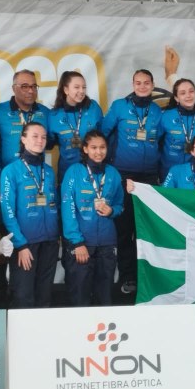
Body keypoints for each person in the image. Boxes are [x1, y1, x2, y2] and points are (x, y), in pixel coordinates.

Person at [102, 69, 163, 295]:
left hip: (149, 179)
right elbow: (103, 133)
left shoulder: (157, 111)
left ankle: (149, 277)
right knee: (125, 230)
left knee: (147, 231)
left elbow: (163, 142)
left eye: (147, 83)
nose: (143, 86)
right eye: (138, 83)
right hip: (123, 176)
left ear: (153, 84)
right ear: (133, 84)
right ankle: (128, 277)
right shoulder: (119, 106)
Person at [0, 122, 59, 308]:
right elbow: (7, 210)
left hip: (49, 242)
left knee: (45, 295)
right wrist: (21, 244)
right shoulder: (10, 171)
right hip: (25, 244)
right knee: (23, 296)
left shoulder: (48, 172)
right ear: (23, 139)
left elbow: (53, 204)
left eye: (43, 137)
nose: (40, 141)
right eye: (34, 136)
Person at [61, 130, 124, 306]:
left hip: (107, 243)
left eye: (102, 147)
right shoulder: (74, 172)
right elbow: (68, 209)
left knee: (104, 297)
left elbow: (120, 205)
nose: (99, 152)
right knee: (79, 296)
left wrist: (112, 210)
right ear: (85, 149)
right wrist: (77, 242)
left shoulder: (113, 173)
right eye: (94, 147)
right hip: (82, 244)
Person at [48, 71, 103, 184]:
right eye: (77, 87)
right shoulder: (54, 115)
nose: (81, 91)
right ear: (66, 90)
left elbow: (103, 135)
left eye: (84, 87)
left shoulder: (93, 108)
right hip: (67, 170)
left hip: (94, 169)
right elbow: (50, 142)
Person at [0, 70, 50, 167]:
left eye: (34, 86)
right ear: (14, 88)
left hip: (38, 174)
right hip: (9, 175)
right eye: (25, 86)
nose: (30, 91)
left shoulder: (45, 112)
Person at [159, 78, 195, 181]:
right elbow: (155, 143)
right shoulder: (166, 116)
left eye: (191, 91)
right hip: (169, 173)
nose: (188, 95)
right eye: (183, 93)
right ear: (177, 98)